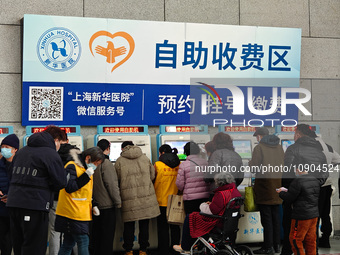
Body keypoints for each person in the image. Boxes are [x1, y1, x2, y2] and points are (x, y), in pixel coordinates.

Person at [6, 126, 67, 255]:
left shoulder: (22, 152)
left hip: (13, 204)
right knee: (34, 246)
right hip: (35, 205)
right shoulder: (51, 155)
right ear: (55, 140)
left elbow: (11, 175)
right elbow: (61, 182)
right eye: (60, 143)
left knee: (19, 244)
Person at [281, 124, 327, 255]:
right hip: (314, 195)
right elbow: (325, 173)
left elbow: (287, 172)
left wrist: (286, 192)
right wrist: (313, 183)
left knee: (293, 230)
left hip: (296, 197)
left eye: (295, 134)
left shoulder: (293, 149)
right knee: (312, 233)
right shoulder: (319, 152)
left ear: (298, 134)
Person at [173, 172, 242, 253]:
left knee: (190, 217)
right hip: (231, 223)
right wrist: (212, 204)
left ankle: (186, 246)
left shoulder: (221, 194)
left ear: (219, 182)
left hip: (218, 222)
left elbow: (213, 211)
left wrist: (204, 205)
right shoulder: (235, 191)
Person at [55, 147, 105, 255]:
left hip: (79, 212)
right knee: (83, 241)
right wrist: (86, 176)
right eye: (96, 163)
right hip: (72, 212)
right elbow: (69, 187)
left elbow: (85, 192)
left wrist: (93, 204)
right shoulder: (72, 166)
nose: (96, 166)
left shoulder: (85, 169)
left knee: (68, 243)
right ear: (88, 158)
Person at [114, 141, 160, 255]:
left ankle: (128, 250)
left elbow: (116, 179)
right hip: (146, 197)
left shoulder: (119, 161)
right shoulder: (145, 158)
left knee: (129, 225)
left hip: (129, 198)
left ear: (123, 148)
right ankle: (143, 250)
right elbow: (152, 175)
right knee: (144, 225)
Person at [249, 127, 284, 255]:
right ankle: (276, 246)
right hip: (277, 186)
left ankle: (267, 247)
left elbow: (254, 167)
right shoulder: (279, 147)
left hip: (265, 187)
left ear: (260, 136)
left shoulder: (259, 148)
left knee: (266, 219)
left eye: (256, 136)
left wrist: (249, 163)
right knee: (276, 219)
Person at [306, 129, 340, 249]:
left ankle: (313, 241)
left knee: (314, 214)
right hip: (327, 184)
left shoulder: (310, 146)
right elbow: (338, 160)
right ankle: (325, 240)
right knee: (325, 214)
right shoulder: (328, 146)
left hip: (316, 185)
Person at [49, 131, 80, 255]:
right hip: (74, 198)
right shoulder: (77, 154)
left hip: (56, 198)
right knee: (76, 231)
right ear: (67, 140)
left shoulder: (51, 154)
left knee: (55, 232)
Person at [277, 167, 320, 255]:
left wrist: (281, 192)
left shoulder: (297, 181)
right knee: (311, 240)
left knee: (295, 240)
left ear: (298, 169)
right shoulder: (315, 180)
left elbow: (289, 198)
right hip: (313, 215)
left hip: (301, 216)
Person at [91, 139, 121, 255]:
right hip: (107, 205)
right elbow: (112, 185)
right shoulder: (106, 163)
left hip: (95, 204)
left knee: (97, 236)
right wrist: (118, 202)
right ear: (108, 149)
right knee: (107, 238)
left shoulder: (92, 161)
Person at [154, 144, 181, 255]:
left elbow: (152, 179)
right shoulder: (179, 164)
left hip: (161, 200)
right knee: (175, 227)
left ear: (161, 153)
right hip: (175, 200)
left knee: (163, 228)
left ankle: (163, 251)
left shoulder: (157, 165)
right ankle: (175, 249)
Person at [176, 141, 210, 214]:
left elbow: (179, 184)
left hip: (190, 199)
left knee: (191, 220)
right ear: (198, 151)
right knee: (203, 220)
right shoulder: (206, 163)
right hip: (205, 198)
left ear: (185, 152)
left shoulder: (183, 165)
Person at [0, 134, 19, 255]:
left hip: (15, 209)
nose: (4, 149)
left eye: (7, 146)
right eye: (2, 147)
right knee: (3, 240)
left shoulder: (20, 165)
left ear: (15, 149)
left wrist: (12, 195)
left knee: (12, 240)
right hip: (0, 209)